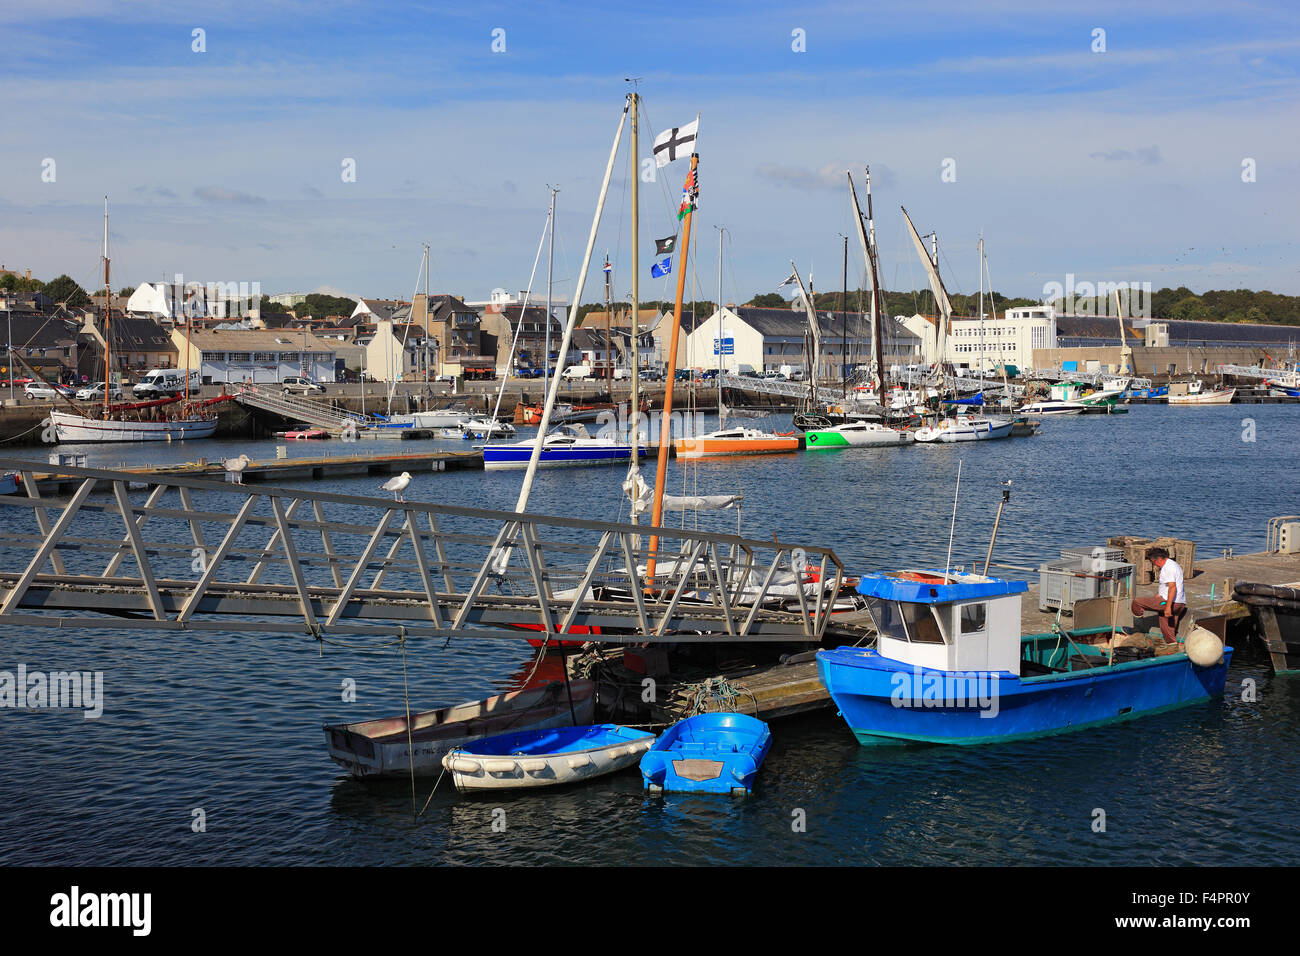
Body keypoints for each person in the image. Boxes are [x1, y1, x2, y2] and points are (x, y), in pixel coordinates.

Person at [1130, 547, 1187, 642]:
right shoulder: (1173, 565)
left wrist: (1168, 607)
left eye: (1154, 562)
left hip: (1168, 602)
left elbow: (1172, 587)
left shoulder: (1168, 568)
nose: (1154, 565)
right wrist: (1157, 596)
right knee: (1167, 631)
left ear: (1159, 559)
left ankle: (1138, 630)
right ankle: (1172, 647)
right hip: (1180, 603)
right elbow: (1166, 586)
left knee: (1137, 602)